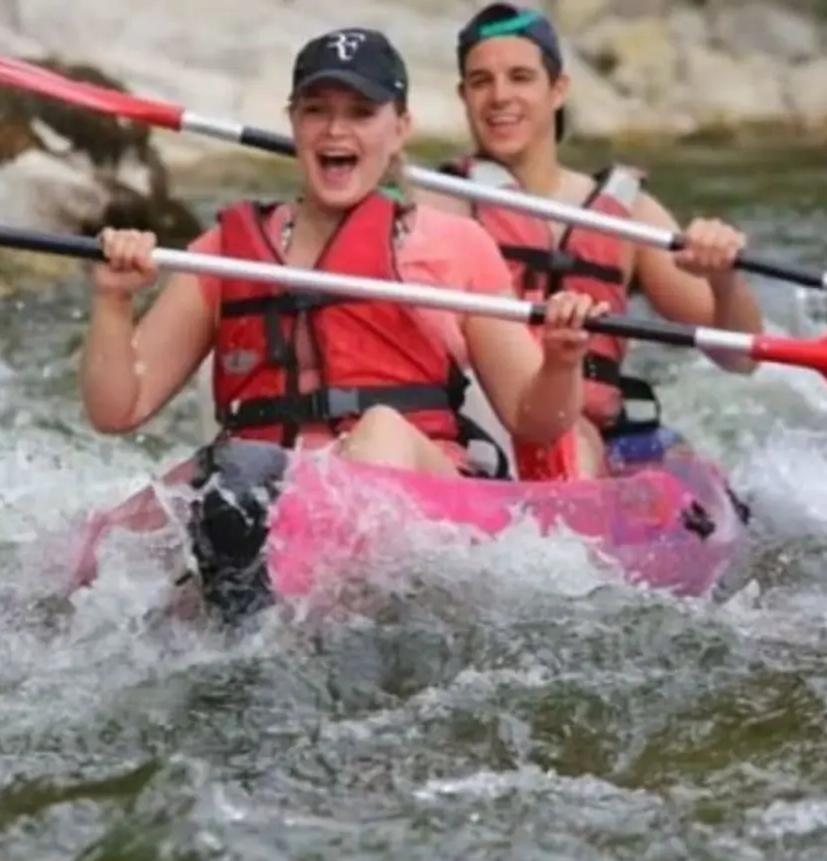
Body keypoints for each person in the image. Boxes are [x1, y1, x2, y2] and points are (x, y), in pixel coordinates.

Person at [77, 27, 600, 624]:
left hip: (420, 503)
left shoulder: (455, 245)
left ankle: (304, 625)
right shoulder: (225, 252)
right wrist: (114, 300)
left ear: (399, 128)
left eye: (361, 112)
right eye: (316, 111)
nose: (335, 130)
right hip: (260, 494)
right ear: (293, 123)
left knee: (380, 429)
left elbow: (536, 422)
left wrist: (562, 359)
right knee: (107, 549)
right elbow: (116, 409)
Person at [420, 2, 765, 480]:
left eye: (520, 77)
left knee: (582, 443)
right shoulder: (437, 206)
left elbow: (741, 357)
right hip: (488, 425)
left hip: (596, 434)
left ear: (558, 89)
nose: (500, 96)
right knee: (565, 440)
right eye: (481, 82)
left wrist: (724, 279)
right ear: (464, 95)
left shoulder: (629, 215)